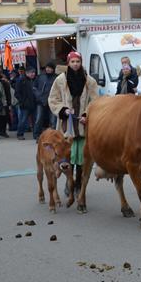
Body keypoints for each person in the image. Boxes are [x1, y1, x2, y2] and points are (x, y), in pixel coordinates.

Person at [48, 51, 99, 187]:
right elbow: (53, 99)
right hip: (67, 124)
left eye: (78, 61)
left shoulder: (90, 81)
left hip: (83, 125)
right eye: (73, 62)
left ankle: (79, 183)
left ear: (81, 63)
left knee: (82, 157)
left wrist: (86, 115)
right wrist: (62, 110)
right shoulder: (60, 80)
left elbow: (95, 101)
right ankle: (69, 182)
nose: (75, 64)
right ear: (68, 63)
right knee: (67, 156)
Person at [33, 62, 57, 141]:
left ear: (53, 69)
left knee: (53, 120)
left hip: (52, 102)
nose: (48, 69)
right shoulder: (40, 77)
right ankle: (37, 135)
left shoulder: (56, 78)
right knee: (38, 119)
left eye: (50, 68)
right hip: (40, 101)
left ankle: (52, 136)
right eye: (47, 67)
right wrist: (39, 96)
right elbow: (34, 88)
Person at [15, 66, 38, 140]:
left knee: (35, 120)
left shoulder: (35, 80)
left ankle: (36, 135)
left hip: (34, 103)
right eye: (31, 72)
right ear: (27, 73)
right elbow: (17, 93)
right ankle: (20, 134)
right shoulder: (21, 80)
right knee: (23, 120)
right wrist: (22, 101)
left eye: (34, 72)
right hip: (25, 105)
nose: (33, 74)